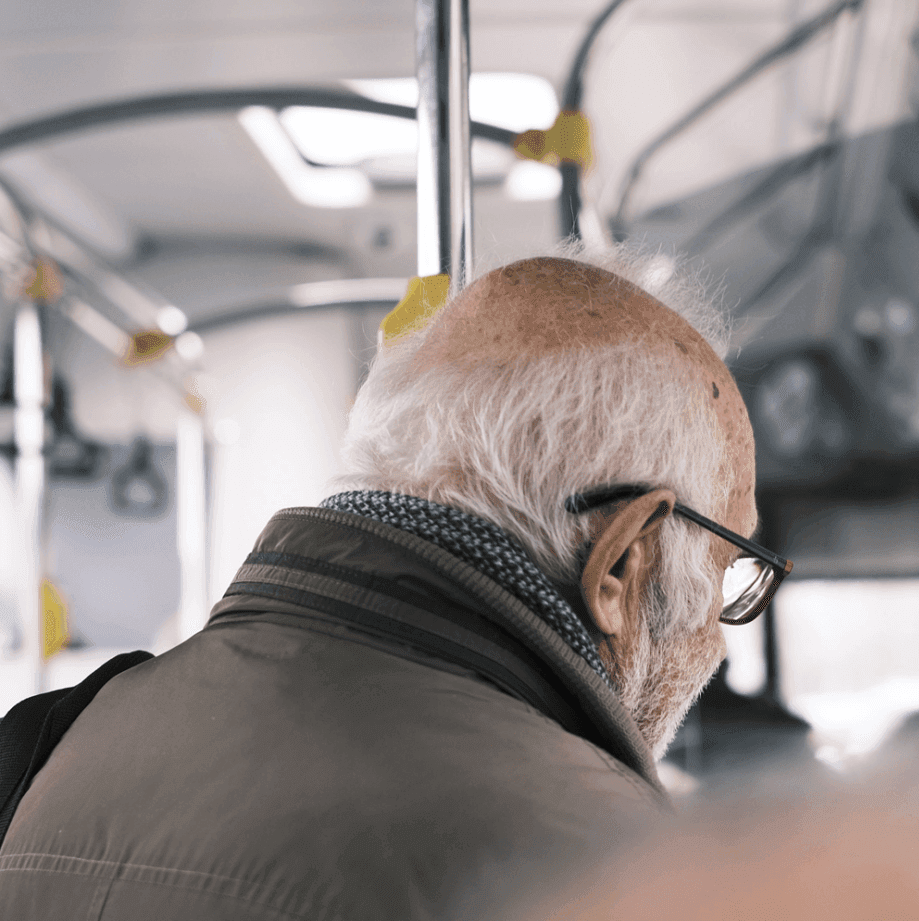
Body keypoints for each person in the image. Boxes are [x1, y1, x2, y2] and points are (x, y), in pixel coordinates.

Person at [0, 245, 761, 920]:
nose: (717, 644)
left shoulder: (51, 747)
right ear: (622, 564)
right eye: (730, 565)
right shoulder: (610, 866)